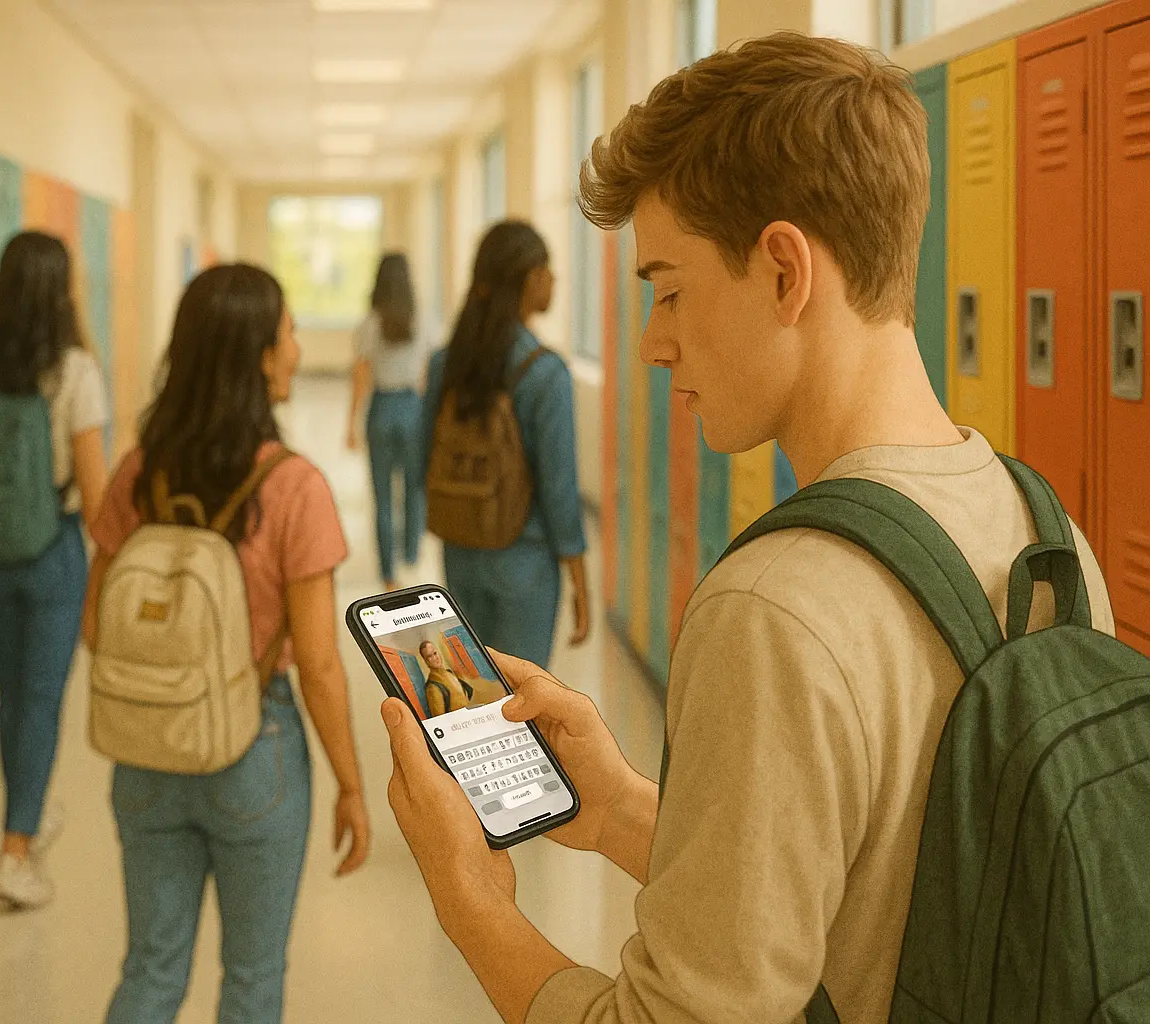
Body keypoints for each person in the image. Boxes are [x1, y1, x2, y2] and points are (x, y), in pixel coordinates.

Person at [378, 33, 1116, 1024]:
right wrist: (631, 813)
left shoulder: (773, 607)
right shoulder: (1051, 534)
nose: (650, 341)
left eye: (671, 288)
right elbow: (902, 899)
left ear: (782, 271)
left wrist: (470, 901)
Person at [83, 263, 372, 1024]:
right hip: (258, 750)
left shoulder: (138, 476)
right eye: (287, 334)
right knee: (251, 979)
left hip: (145, 752)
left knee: (149, 969)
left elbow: (94, 628)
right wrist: (351, 783)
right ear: (256, 357)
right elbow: (316, 666)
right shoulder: (295, 488)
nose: (298, 350)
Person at [0, 230, 110, 910]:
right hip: (52, 551)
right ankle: (14, 852)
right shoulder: (75, 371)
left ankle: (27, 812)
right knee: (43, 702)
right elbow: (96, 492)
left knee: (14, 696)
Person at [421, 221, 590, 669]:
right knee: (521, 699)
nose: (554, 280)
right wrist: (580, 580)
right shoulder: (544, 372)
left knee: (475, 690)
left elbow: (425, 456)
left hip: (459, 552)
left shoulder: (446, 364)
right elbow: (558, 489)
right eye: (548, 269)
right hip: (525, 563)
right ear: (531, 279)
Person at [348, 252, 431, 590]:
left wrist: (351, 422)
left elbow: (361, 374)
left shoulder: (370, 323)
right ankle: (410, 554)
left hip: (381, 409)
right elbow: (428, 371)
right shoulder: (423, 320)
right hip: (413, 408)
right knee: (414, 488)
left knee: (383, 497)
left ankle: (388, 573)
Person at [419, 639, 475, 716]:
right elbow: (441, 719)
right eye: (430, 656)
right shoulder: (433, 688)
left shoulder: (450, 673)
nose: (435, 658)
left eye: (435, 653)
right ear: (426, 661)